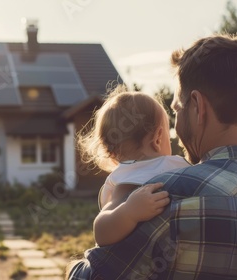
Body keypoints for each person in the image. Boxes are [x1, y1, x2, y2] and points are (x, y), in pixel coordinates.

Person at [67, 34, 237, 280]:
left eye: (177, 109)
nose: (175, 132)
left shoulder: (167, 195)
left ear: (198, 107)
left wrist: (74, 268)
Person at [77, 88, 190, 246]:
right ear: (158, 138)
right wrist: (129, 212)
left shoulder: (124, 176)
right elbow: (101, 232)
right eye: (167, 137)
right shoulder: (126, 183)